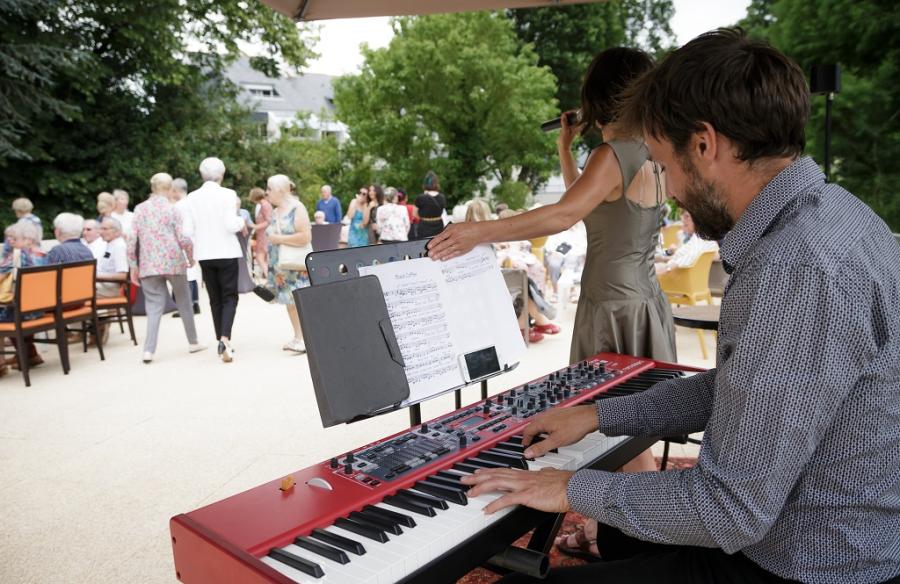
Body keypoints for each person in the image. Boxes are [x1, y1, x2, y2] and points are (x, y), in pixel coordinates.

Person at [462, 29, 900, 584]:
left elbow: (729, 510)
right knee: (619, 530)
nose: (667, 192)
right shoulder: (835, 214)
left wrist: (569, 488)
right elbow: (742, 386)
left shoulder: (796, 268)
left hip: (809, 560)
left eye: (665, 167)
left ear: (704, 144)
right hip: (797, 523)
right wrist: (600, 415)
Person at [429, 47, 675, 540]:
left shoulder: (611, 156)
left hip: (608, 305)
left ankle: (649, 544)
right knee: (631, 430)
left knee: (615, 432)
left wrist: (481, 231)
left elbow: (563, 214)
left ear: (599, 98)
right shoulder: (653, 154)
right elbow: (584, 204)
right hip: (645, 302)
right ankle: (612, 534)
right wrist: (566, 148)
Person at [128, 173, 205, 364]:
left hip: (149, 262)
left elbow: (131, 240)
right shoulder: (172, 209)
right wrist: (190, 256)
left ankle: (148, 350)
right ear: (170, 188)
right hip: (173, 260)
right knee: (184, 301)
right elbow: (183, 237)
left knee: (153, 307)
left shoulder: (140, 209)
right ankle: (193, 342)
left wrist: (133, 266)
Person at [181, 157, 245, 363]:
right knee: (229, 297)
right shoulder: (228, 194)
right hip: (226, 251)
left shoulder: (192, 197)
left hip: (204, 253)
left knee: (215, 298)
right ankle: (225, 339)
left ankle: (220, 338)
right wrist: (241, 219)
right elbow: (231, 224)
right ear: (222, 174)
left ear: (201, 175)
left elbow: (187, 230)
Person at [265, 174, 312, 353]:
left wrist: (279, 239)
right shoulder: (276, 212)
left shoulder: (297, 208)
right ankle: (298, 338)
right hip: (282, 267)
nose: (267, 193)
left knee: (300, 303)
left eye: (269, 189)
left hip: (296, 266)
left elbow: (305, 237)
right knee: (289, 303)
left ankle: (306, 338)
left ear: (280, 190)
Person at [0, 220, 48, 376]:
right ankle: (29, 354)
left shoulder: (17, 256)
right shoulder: (43, 255)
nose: (11, 242)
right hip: (39, 309)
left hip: (22, 312)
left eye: (15, 239)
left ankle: (1, 363)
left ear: (27, 240)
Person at [170, 178, 201, 315]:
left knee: (183, 274)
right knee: (192, 273)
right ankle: (194, 302)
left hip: (182, 241)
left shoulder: (177, 206)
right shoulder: (193, 203)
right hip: (194, 240)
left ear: (176, 190)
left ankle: (185, 306)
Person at [655, 210, 718, 275]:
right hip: (677, 273)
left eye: (687, 216)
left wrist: (667, 267)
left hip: (683, 278)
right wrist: (665, 256)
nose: (683, 220)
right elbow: (680, 255)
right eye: (683, 216)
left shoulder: (704, 240)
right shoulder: (689, 237)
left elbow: (693, 255)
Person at [95, 217, 128, 298]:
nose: (100, 232)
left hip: (110, 288)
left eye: (105, 229)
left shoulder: (119, 246)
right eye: (101, 229)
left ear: (117, 232)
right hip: (102, 284)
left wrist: (94, 275)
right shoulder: (110, 244)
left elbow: (123, 276)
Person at [248, 186, 272, 278]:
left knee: (259, 257)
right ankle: (268, 277)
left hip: (264, 234)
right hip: (262, 234)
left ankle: (269, 277)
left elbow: (268, 221)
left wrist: (255, 226)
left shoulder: (264, 205)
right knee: (263, 258)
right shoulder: (264, 204)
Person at [414, 171, 446, 239]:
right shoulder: (442, 197)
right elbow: (442, 211)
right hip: (439, 225)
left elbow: (414, 214)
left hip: (424, 226)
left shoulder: (420, 197)